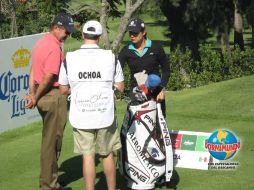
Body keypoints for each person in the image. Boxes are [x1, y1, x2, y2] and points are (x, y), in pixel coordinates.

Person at [58, 20, 124, 190]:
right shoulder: (111, 57)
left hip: (81, 114)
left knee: (88, 156)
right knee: (107, 153)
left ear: (82, 35)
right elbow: (121, 87)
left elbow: (63, 89)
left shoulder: (70, 58)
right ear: (100, 36)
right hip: (105, 113)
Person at [25, 12, 75, 190]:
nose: (68, 35)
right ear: (56, 27)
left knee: (49, 141)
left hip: (42, 94)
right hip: (52, 95)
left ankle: (50, 182)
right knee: (52, 143)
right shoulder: (54, 47)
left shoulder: (41, 43)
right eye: (66, 31)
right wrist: (35, 96)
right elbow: (49, 76)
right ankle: (49, 186)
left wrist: (32, 94)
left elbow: (32, 71)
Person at [118, 18, 170, 116]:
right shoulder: (126, 50)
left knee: (158, 129)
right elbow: (116, 71)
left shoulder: (156, 47)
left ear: (144, 33)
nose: (132, 36)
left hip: (156, 93)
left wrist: (161, 89)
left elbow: (166, 70)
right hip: (136, 94)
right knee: (134, 129)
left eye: (135, 33)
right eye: (130, 33)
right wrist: (124, 91)